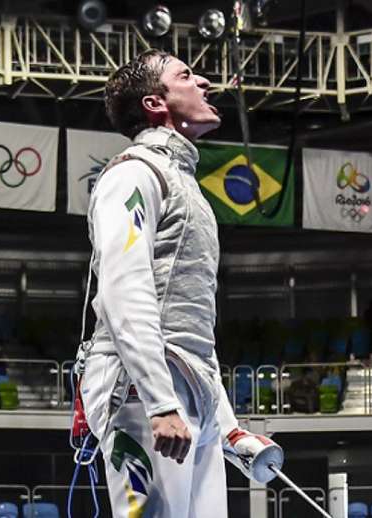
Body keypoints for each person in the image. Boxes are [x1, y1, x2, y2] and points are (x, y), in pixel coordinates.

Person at [78, 49, 283, 518]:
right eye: (187, 76)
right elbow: (123, 289)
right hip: (140, 389)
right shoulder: (133, 174)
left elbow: (190, 329)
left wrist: (229, 428)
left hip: (189, 393)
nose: (205, 82)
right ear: (156, 103)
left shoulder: (186, 185)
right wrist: (159, 400)